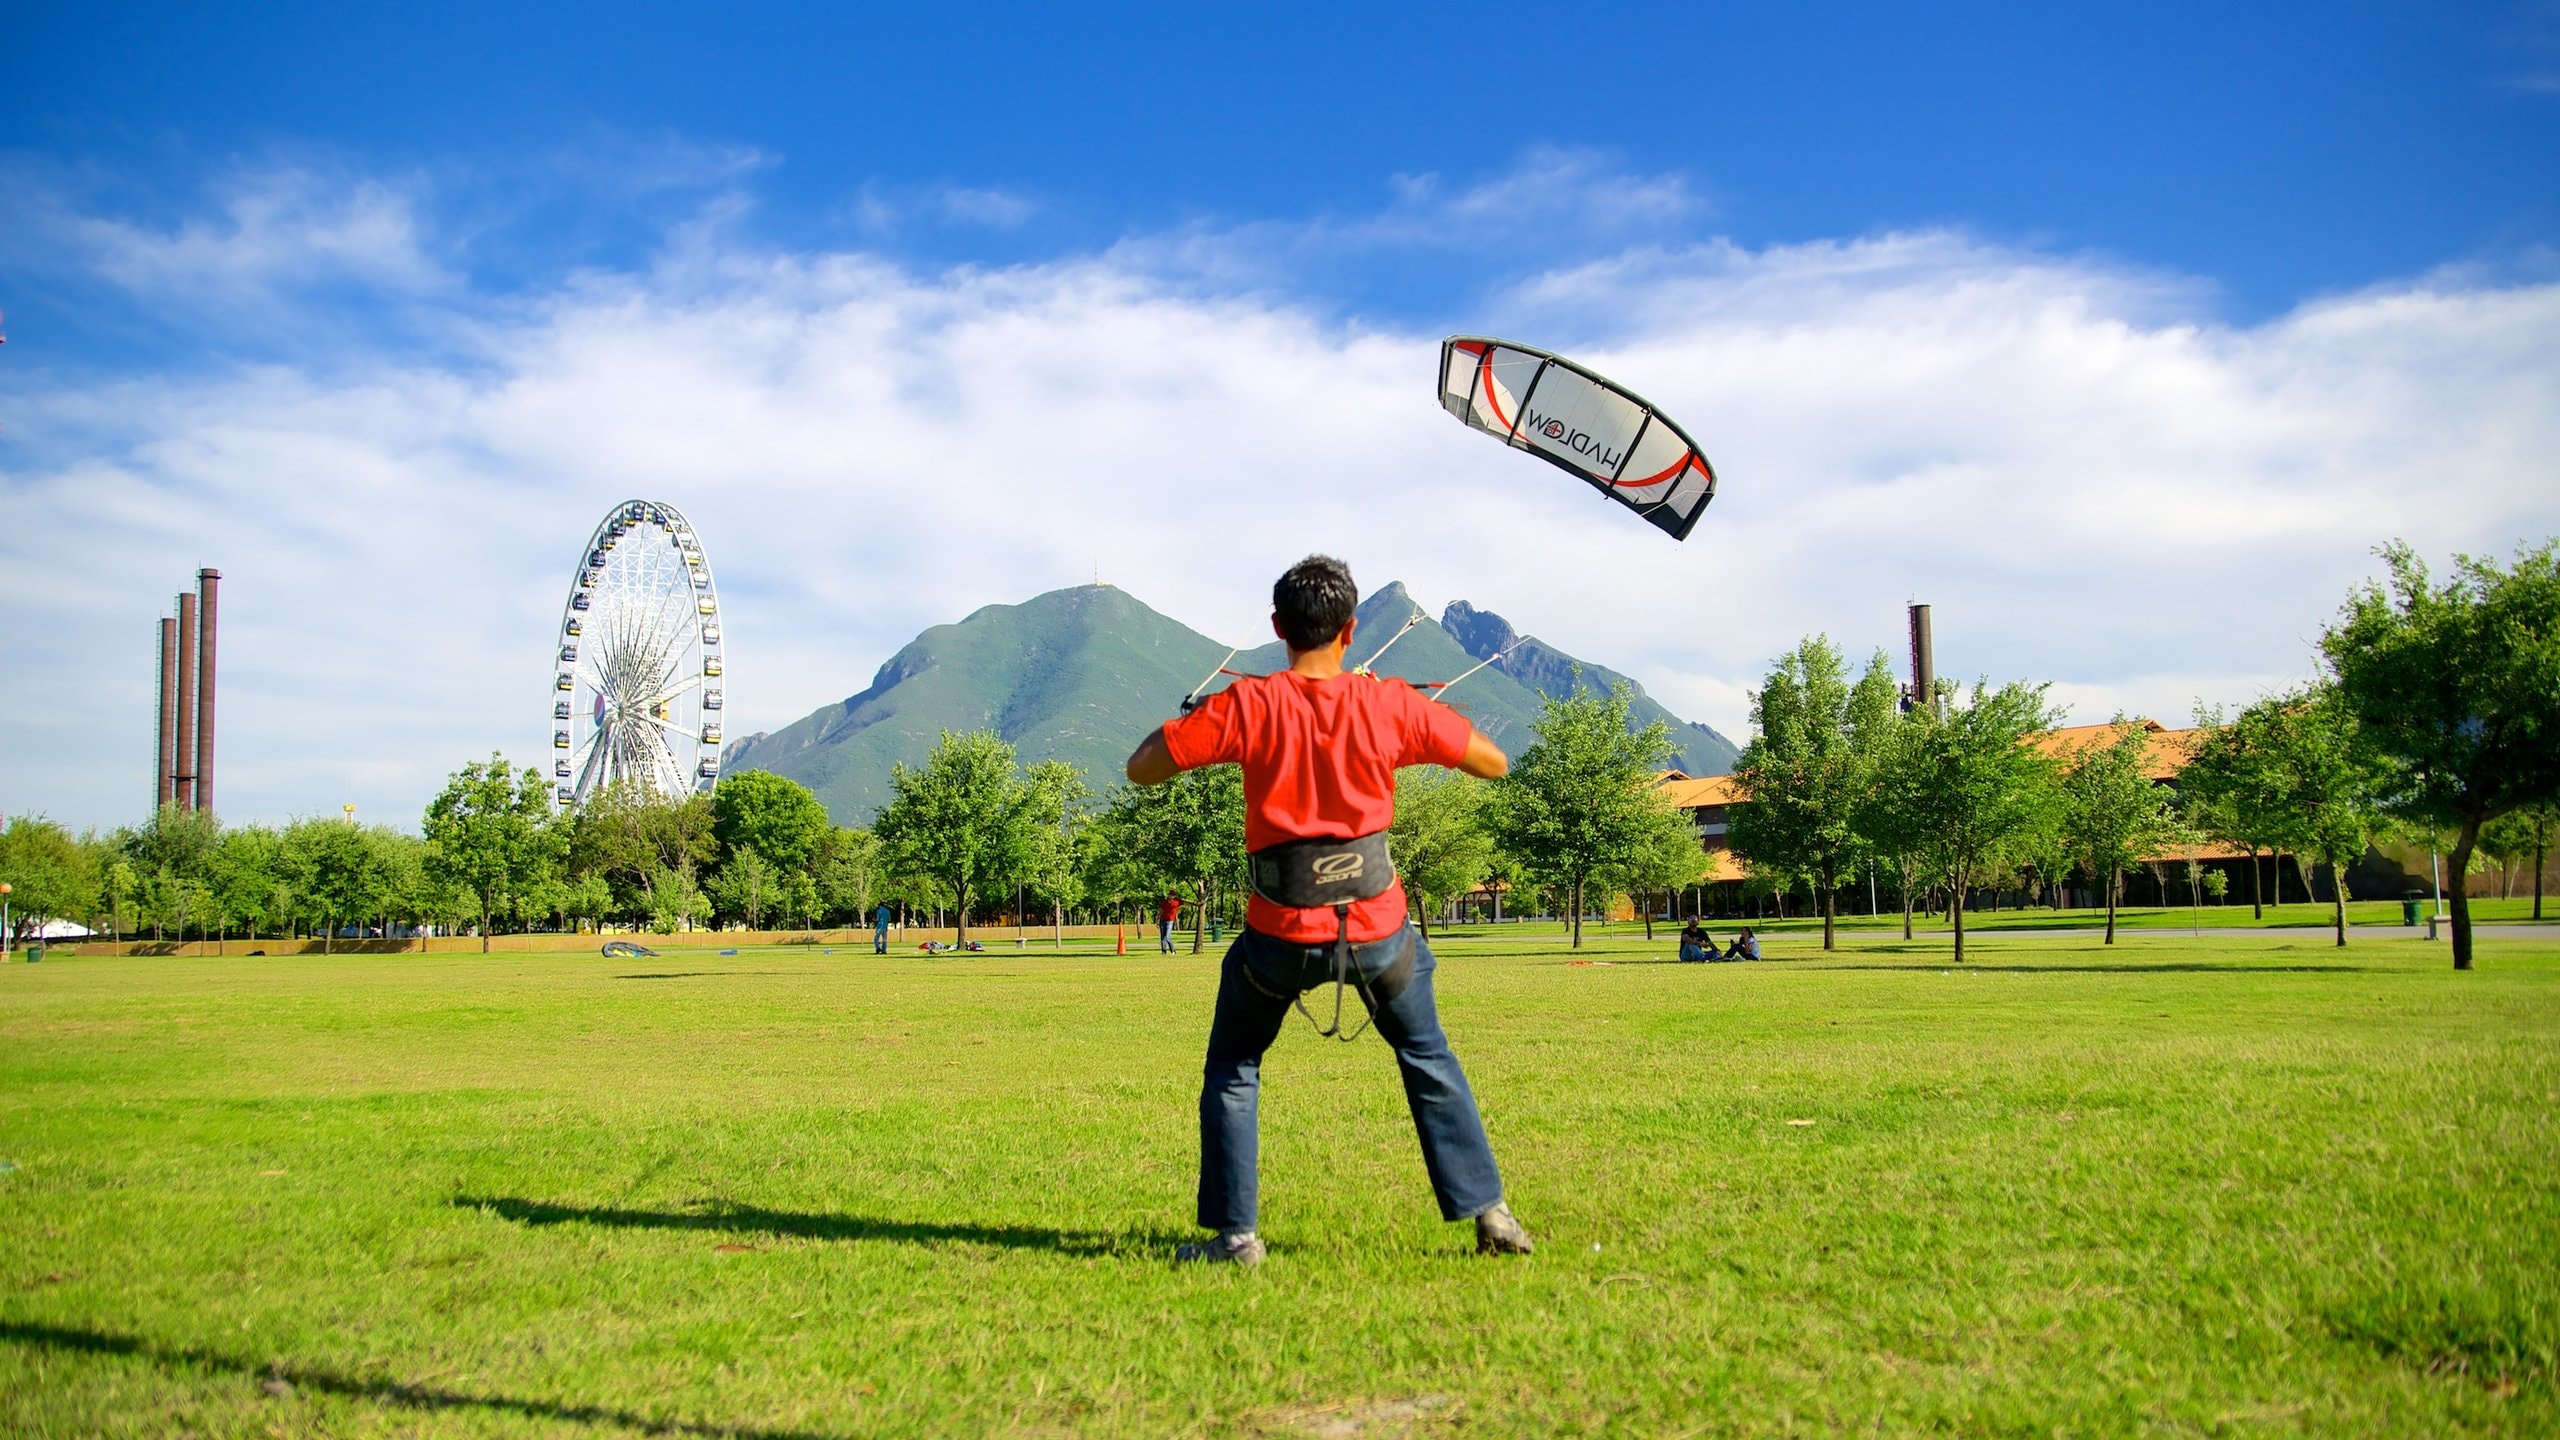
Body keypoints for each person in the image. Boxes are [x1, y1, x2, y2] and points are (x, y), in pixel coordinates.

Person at [1125, 554, 1531, 1266]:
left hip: (1277, 935)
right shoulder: (1389, 705)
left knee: (1234, 1066)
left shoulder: (1249, 704)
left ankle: (1236, 1238)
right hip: (1380, 933)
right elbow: (1493, 762)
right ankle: (1491, 1215)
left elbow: (1142, 766)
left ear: (1278, 627)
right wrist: (1405, 715)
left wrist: (1205, 720)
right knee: (1427, 1055)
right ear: (1349, 631)